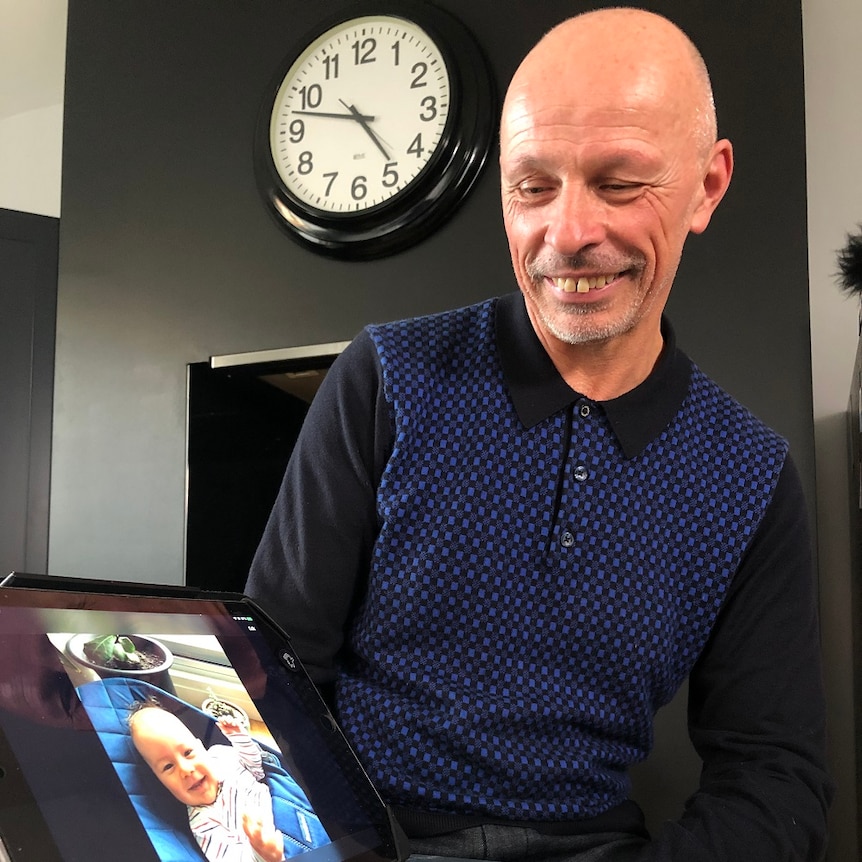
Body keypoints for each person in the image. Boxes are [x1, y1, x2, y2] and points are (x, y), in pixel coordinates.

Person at [246, 7, 833, 861]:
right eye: (532, 186)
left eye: (620, 183)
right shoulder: (387, 377)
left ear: (707, 186)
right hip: (374, 838)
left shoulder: (750, 475)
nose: (568, 235)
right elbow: (274, 672)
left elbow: (776, 773)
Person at [128, 701, 327, 861]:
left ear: (201, 747)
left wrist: (240, 739)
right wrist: (264, 854)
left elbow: (257, 769)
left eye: (188, 752)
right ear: (160, 781)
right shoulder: (203, 823)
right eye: (168, 767)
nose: (186, 770)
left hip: (294, 812)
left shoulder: (221, 755)